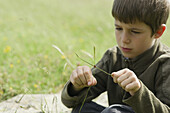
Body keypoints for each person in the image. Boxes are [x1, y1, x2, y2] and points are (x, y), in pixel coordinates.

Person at [61, 0, 170, 112]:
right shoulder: (112, 57)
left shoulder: (165, 63)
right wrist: (77, 86)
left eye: (135, 31)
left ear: (158, 31)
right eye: (119, 28)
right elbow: (70, 102)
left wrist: (139, 92)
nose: (124, 39)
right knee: (82, 109)